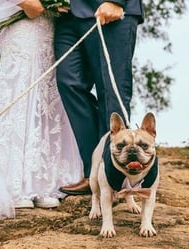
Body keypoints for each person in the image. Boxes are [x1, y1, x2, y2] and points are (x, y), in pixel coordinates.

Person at [0, 0, 83, 208]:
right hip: (20, 19)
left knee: (45, 91)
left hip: (48, 22)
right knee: (18, 86)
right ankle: (13, 183)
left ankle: (43, 181)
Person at [55, 0, 144, 195]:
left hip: (110, 11)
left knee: (111, 92)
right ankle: (92, 172)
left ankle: (112, 176)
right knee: (68, 83)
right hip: (66, 15)